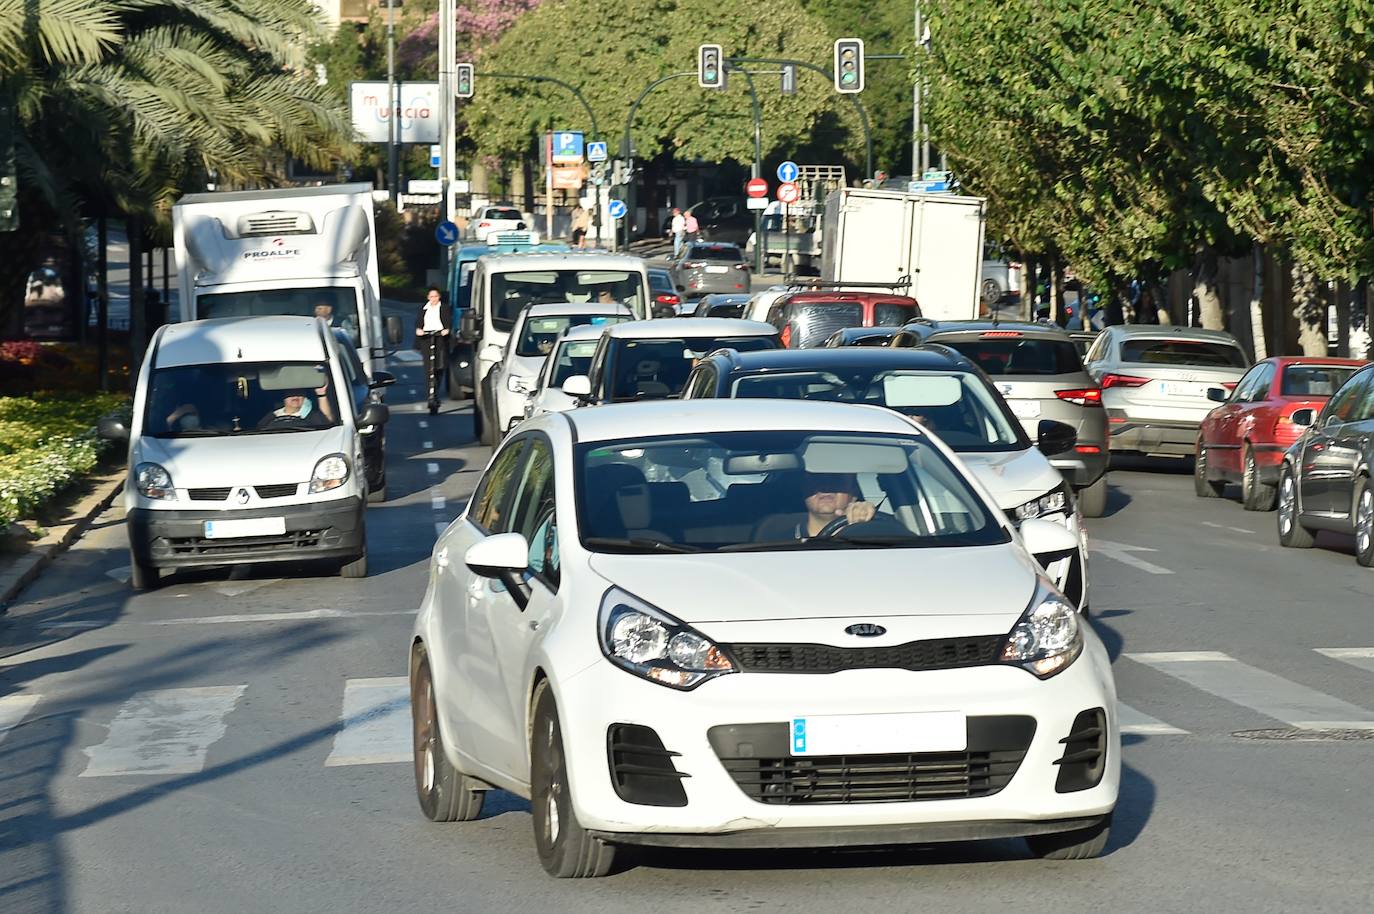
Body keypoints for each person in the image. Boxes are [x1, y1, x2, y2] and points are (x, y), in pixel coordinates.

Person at [754, 472, 877, 541]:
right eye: (817, 479)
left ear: (854, 493)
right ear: (803, 490)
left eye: (837, 479)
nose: (826, 487)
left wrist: (868, 520)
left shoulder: (875, 538)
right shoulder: (775, 543)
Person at [415, 286, 450, 387]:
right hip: (426, 338)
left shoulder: (444, 308)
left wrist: (446, 330)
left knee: (439, 365)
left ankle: (437, 387)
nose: (433, 299)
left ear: (439, 297)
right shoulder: (423, 309)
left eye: (436, 296)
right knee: (428, 367)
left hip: (440, 338)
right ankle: (430, 392)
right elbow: (418, 323)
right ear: (428, 297)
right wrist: (419, 330)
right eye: (431, 296)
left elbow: (448, 322)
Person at [256, 389, 331, 429]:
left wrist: (322, 394)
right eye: (291, 392)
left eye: (300, 392)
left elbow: (327, 422)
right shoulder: (270, 417)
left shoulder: (312, 416)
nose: (295, 395)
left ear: (305, 397)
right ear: (283, 396)